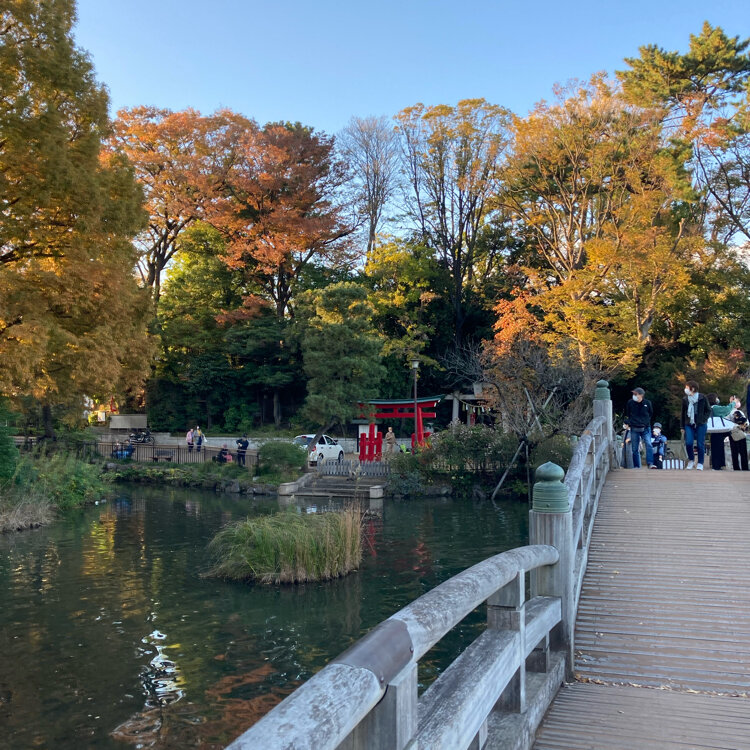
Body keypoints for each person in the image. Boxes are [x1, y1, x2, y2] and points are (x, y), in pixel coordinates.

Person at [682, 381, 710, 470]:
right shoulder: (685, 399)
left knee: (700, 444)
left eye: (687, 387)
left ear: (693, 388)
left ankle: (700, 462)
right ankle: (691, 459)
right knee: (688, 442)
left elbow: (708, 410)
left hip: (701, 424)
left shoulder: (702, 397)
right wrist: (682, 426)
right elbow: (683, 413)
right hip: (689, 423)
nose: (686, 389)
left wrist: (703, 419)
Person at [623, 387, 655, 469]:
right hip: (634, 427)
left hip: (645, 427)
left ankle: (650, 463)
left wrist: (645, 421)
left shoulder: (647, 403)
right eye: (633, 394)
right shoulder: (630, 403)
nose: (634, 395)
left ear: (641, 395)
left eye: (636, 394)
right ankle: (637, 465)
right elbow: (628, 413)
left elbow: (650, 413)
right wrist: (631, 422)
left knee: (648, 444)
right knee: (635, 448)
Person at [706, 393, 735, 470]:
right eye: (716, 398)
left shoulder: (707, 407)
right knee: (718, 447)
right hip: (718, 429)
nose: (717, 399)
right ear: (714, 400)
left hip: (713, 430)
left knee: (714, 447)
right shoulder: (715, 408)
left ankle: (715, 465)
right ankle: (718, 465)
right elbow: (727, 410)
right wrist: (733, 403)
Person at [728, 397, 749, 471]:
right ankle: (745, 467)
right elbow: (746, 423)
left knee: (734, 452)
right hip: (741, 433)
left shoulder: (728, 412)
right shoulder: (739, 412)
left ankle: (736, 467)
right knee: (743, 452)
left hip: (732, 433)